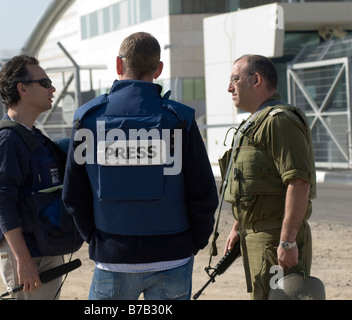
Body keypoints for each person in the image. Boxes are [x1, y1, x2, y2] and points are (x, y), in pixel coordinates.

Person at [62, 32, 218, 300]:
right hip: (173, 256)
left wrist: (98, 240)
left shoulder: (87, 120)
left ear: (118, 65)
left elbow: (73, 195)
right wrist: (192, 243)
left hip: (112, 257)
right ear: (158, 70)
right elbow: (203, 193)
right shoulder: (179, 120)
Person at [222, 54, 316, 300]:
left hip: (275, 237)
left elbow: (298, 181)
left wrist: (287, 242)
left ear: (256, 79)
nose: (229, 87)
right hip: (257, 236)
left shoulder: (279, 121)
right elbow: (252, 183)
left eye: (234, 79)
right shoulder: (254, 124)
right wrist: (238, 226)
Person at [0, 55, 65, 300]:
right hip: (27, 252)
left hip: (41, 246)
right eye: (45, 82)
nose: (52, 89)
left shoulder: (32, 136)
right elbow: (1, 200)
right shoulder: (8, 140)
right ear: (23, 89)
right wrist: (23, 260)